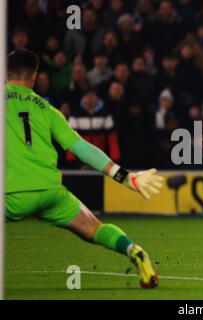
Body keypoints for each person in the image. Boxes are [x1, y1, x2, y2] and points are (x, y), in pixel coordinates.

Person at [5, 49, 163, 288]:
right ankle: (133, 249)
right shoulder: (46, 109)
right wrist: (126, 177)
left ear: (6, 74)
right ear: (34, 76)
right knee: (94, 228)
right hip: (49, 190)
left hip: (9, 193)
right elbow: (81, 147)